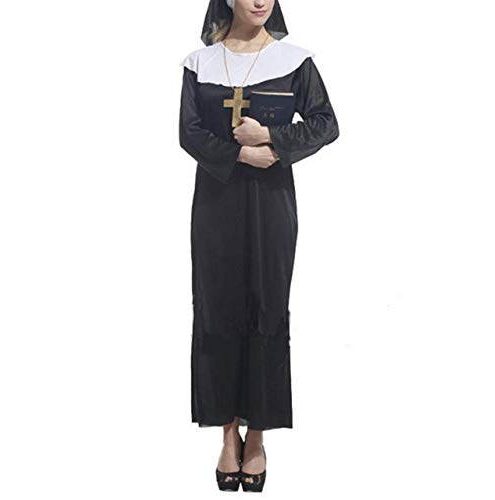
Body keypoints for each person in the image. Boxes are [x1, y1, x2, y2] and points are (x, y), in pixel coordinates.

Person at [178, 0, 339, 491]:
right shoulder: (200, 63)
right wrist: (239, 153)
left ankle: (258, 437)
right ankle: (228, 433)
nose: (260, 0)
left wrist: (271, 137)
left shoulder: (295, 61)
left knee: (266, 307)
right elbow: (189, 133)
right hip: (216, 204)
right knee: (217, 309)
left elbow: (325, 123)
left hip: (272, 205)